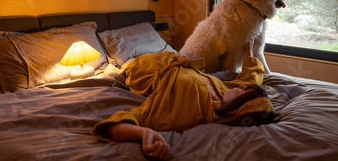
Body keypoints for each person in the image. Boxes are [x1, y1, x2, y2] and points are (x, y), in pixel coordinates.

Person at [92, 39, 278, 160]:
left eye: (243, 93)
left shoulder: (187, 111)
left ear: (232, 110)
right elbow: (252, 78)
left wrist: (143, 133)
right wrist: (249, 51)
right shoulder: (225, 91)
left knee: (126, 62)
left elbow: (122, 121)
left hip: (146, 68)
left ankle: (120, 67)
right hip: (173, 57)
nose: (241, 86)